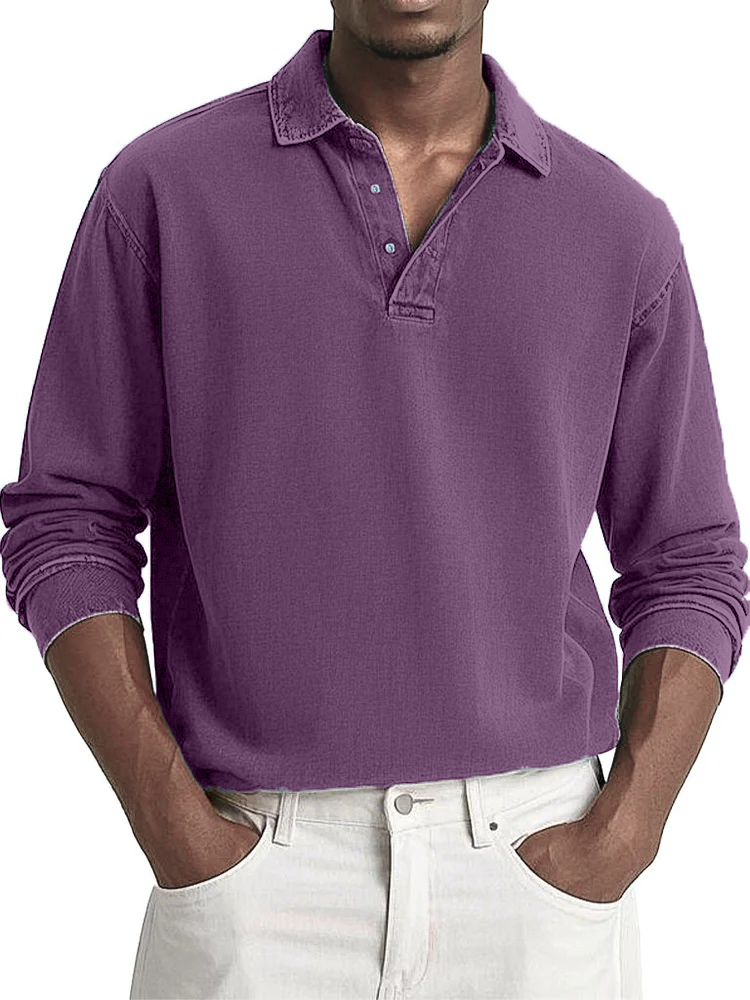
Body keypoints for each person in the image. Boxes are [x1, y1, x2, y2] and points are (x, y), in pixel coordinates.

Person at [1, 2, 747, 998]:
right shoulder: (163, 191)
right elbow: (67, 517)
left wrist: (627, 832)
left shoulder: (618, 227)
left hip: (533, 873)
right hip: (252, 868)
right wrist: (167, 819)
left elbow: (689, 560)